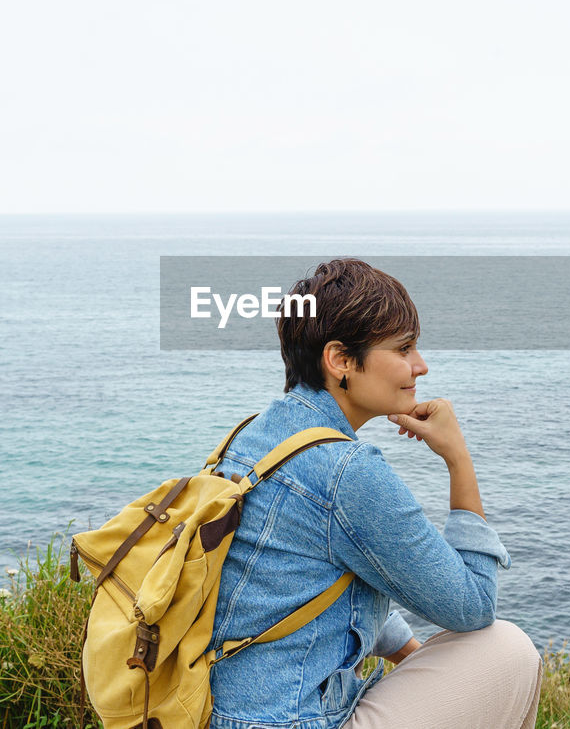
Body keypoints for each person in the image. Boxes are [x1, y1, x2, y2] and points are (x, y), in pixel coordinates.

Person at [207, 258, 542, 729]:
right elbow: (473, 606)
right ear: (340, 360)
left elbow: (298, 579)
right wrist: (458, 459)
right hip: (292, 721)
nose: (420, 366)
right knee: (505, 648)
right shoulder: (346, 470)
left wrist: (405, 649)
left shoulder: (255, 437)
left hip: (223, 714)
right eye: (404, 349)